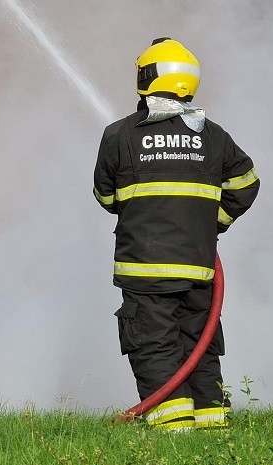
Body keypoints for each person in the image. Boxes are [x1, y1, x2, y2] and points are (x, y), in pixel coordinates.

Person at [93, 38, 260, 431]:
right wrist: (211, 221)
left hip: (145, 270)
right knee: (199, 346)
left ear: (146, 77)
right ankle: (212, 424)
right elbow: (246, 183)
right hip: (198, 266)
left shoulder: (120, 135)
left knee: (155, 344)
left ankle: (174, 433)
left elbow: (105, 196)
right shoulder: (214, 136)